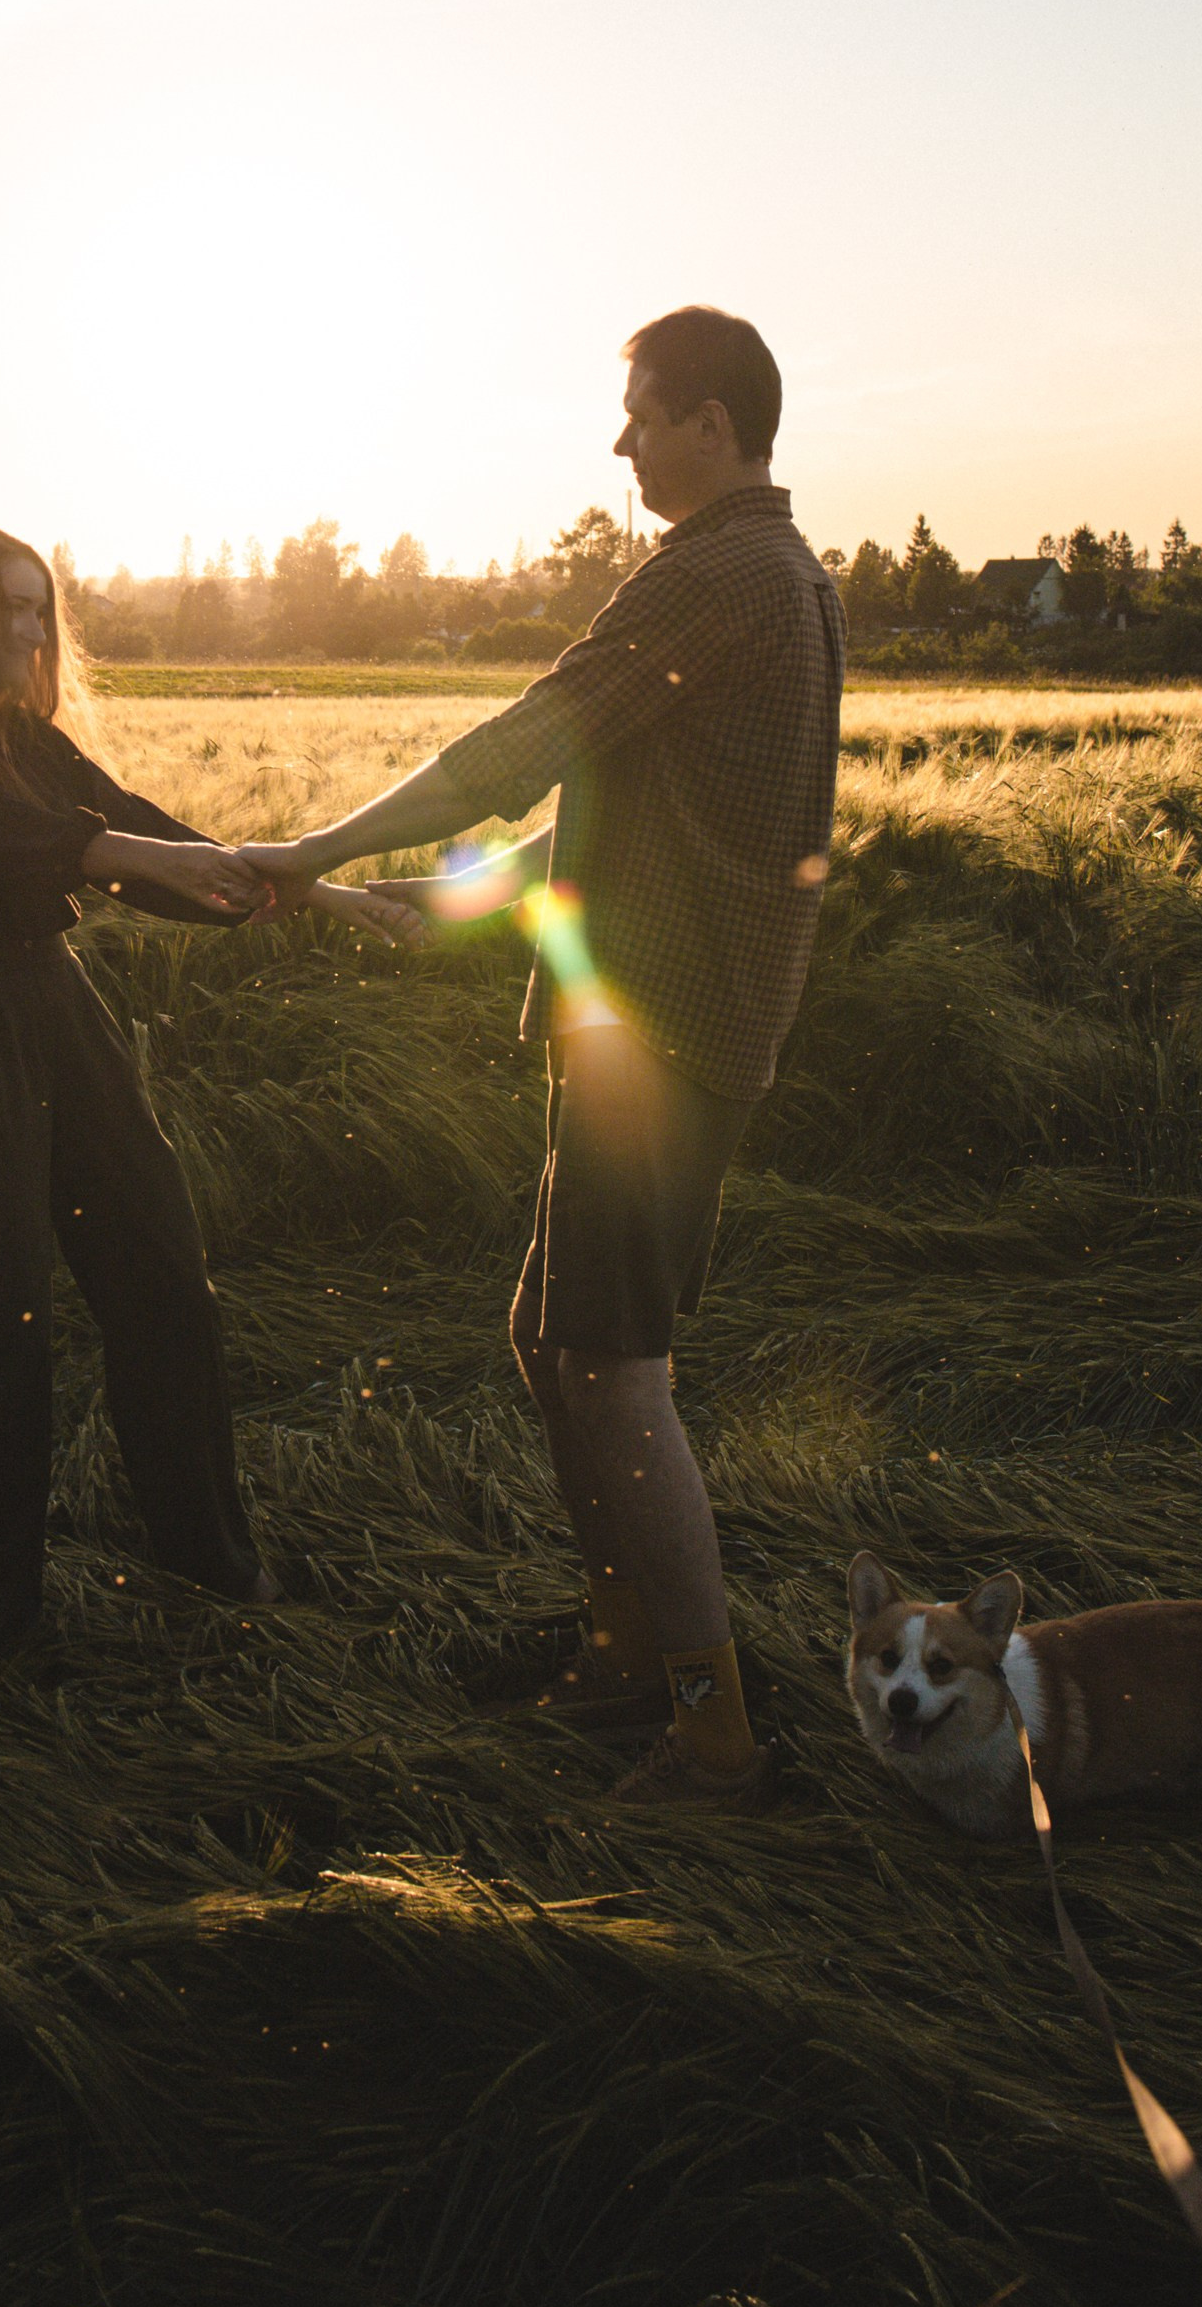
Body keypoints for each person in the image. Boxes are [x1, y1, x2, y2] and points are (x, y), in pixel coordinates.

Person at [242, 307, 843, 1809]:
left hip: (664, 1035)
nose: (620, 440)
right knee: (546, 1338)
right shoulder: (773, 575)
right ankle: (629, 1644)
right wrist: (442, 904)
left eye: (640, 412)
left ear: (713, 422)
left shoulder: (719, 572)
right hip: (663, 1029)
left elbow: (526, 743)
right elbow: (604, 806)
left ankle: (710, 1728)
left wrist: (310, 844)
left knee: (612, 1367)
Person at [0, 521, 405, 1652]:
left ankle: (206, 1556)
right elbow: (24, 844)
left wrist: (302, 889)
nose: (25, 626)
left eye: (38, 606)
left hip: (56, 1002)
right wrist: (135, 857)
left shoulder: (31, 742)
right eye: (3, 604)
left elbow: (141, 834)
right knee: (3, 1322)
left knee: (163, 1278)